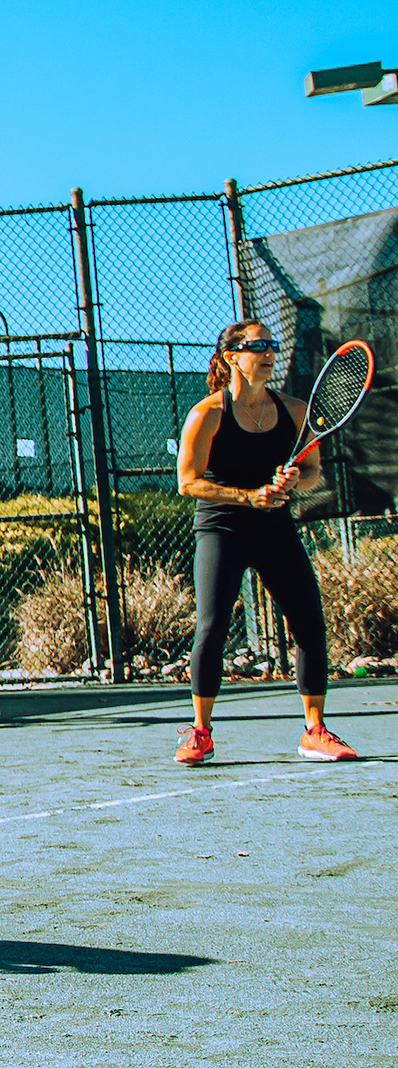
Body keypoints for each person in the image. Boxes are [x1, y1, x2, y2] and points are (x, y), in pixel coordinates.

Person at [173, 321, 356, 766]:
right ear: (233, 356)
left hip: (275, 529)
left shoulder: (294, 410)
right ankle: (200, 731)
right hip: (222, 529)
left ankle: (315, 731)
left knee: (309, 622)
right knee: (213, 627)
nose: (269, 352)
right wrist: (247, 496)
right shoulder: (207, 414)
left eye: (273, 345)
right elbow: (187, 482)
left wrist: (295, 481)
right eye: (257, 346)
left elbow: (312, 470)